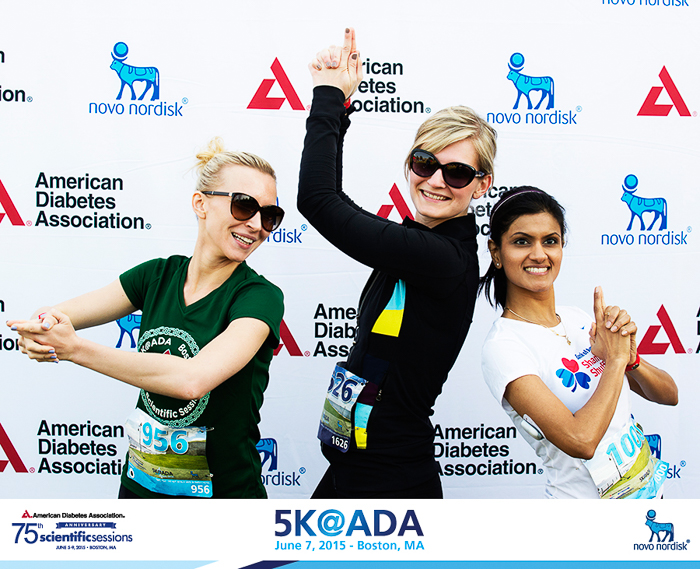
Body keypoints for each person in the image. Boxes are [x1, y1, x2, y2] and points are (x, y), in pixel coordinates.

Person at [7, 138, 285, 499]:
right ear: (201, 203)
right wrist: (40, 328)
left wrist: (74, 349)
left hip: (224, 502)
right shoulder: (156, 275)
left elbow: (192, 381)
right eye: (244, 205)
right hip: (140, 490)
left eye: (270, 215)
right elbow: (57, 315)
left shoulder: (259, 297)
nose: (257, 225)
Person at [298, 28, 497, 498]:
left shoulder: (442, 257)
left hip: (390, 479)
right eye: (425, 162)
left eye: (457, 172)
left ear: (482, 185)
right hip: (357, 464)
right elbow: (333, 200)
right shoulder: (417, 244)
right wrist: (342, 108)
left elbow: (318, 200)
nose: (436, 180)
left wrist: (327, 97)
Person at [480, 187, 678, 499]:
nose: (539, 254)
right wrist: (614, 362)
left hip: (648, 498)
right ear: (496, 252)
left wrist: (630, 358)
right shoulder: (504, 346)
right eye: (522, 242)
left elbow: (669, 395)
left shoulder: (578, 318)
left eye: (550, 241)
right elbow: (582, 441)